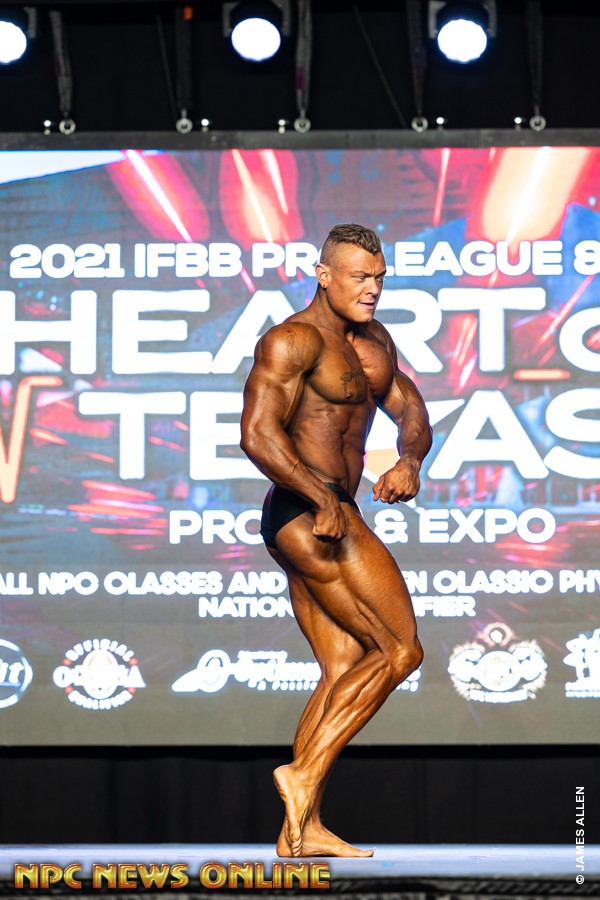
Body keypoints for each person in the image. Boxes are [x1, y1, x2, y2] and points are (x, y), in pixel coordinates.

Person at [240, 224, 432, 858]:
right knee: (400, 649)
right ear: (324, 276)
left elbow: (410, 408)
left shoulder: (376, 342)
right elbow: (258, 435)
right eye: (359, 277)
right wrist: (321, 497)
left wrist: (409, 460)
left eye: (379, 277)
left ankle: (301, 830)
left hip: (323, 508)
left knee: (344, 667)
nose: (372, 289)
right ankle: (302, 775)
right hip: (307, 507)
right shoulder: (292, 341)